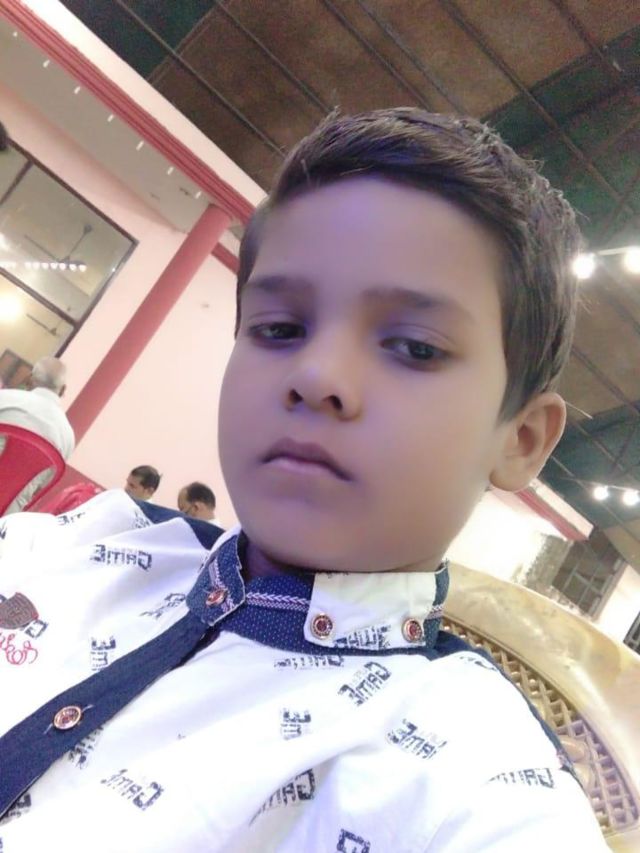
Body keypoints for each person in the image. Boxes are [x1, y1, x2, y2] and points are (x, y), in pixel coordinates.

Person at [0, 109, 608, 851]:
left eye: (414, 347)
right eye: (280, 329)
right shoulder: (72, 543)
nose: (317, 375)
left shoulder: (476, 793)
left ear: (521, 439)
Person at [0, 356, 75, 512]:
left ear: (29, 380)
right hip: (7, 514)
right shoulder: (67, 437)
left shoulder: (5, 399)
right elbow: (42, 487)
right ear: (62, 390)